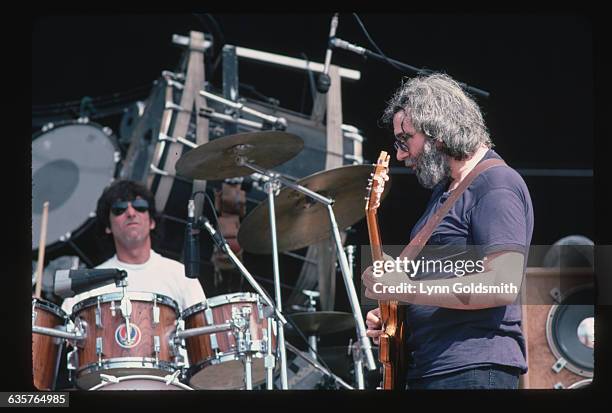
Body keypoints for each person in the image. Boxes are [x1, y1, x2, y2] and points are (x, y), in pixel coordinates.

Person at [361, 73, 533, 389]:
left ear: (437, 133)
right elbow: (435, 285)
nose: (400, 154)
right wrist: (397, 318)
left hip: (473, 368)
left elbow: (502, 284)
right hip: (435, 368)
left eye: (404, 139)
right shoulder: (447, 192)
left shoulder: (496, 185)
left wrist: (406, 289)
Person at [61, 179, 206, 314]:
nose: (131, 213)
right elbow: (64, 335)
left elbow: (203, 333)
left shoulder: (181, 275)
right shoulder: (86, 287)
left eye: (140, 207)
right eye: (119, 209)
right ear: (108, 226)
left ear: (152, 222)